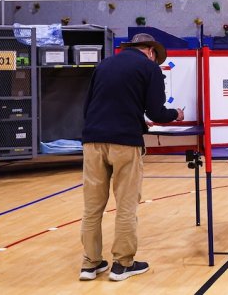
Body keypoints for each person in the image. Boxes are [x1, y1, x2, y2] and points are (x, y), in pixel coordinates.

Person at [79, 33, 184, 281]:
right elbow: (157, 113)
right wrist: (176, 114)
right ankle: (122, 264)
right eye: (156, 58)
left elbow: (87, 107)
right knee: (125, 205)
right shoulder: (149, 69)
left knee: (92, 208)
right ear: (150, 51)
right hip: (125, 142)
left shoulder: (104, 64)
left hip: (92, 141)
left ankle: (90, 264)